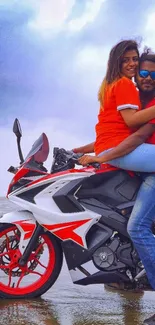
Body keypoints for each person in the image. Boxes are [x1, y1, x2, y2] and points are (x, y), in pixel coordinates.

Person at [74, 52, 155, 290]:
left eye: (153, 74)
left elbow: (136, 138)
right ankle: (130, 278)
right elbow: (116, 138)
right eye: (143, 73)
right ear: (136, 75)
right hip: (144, 168)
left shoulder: (149, 105)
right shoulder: (136, 103)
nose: (148, 78)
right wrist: (78, 151)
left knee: (137, 228)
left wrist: (102, 157)